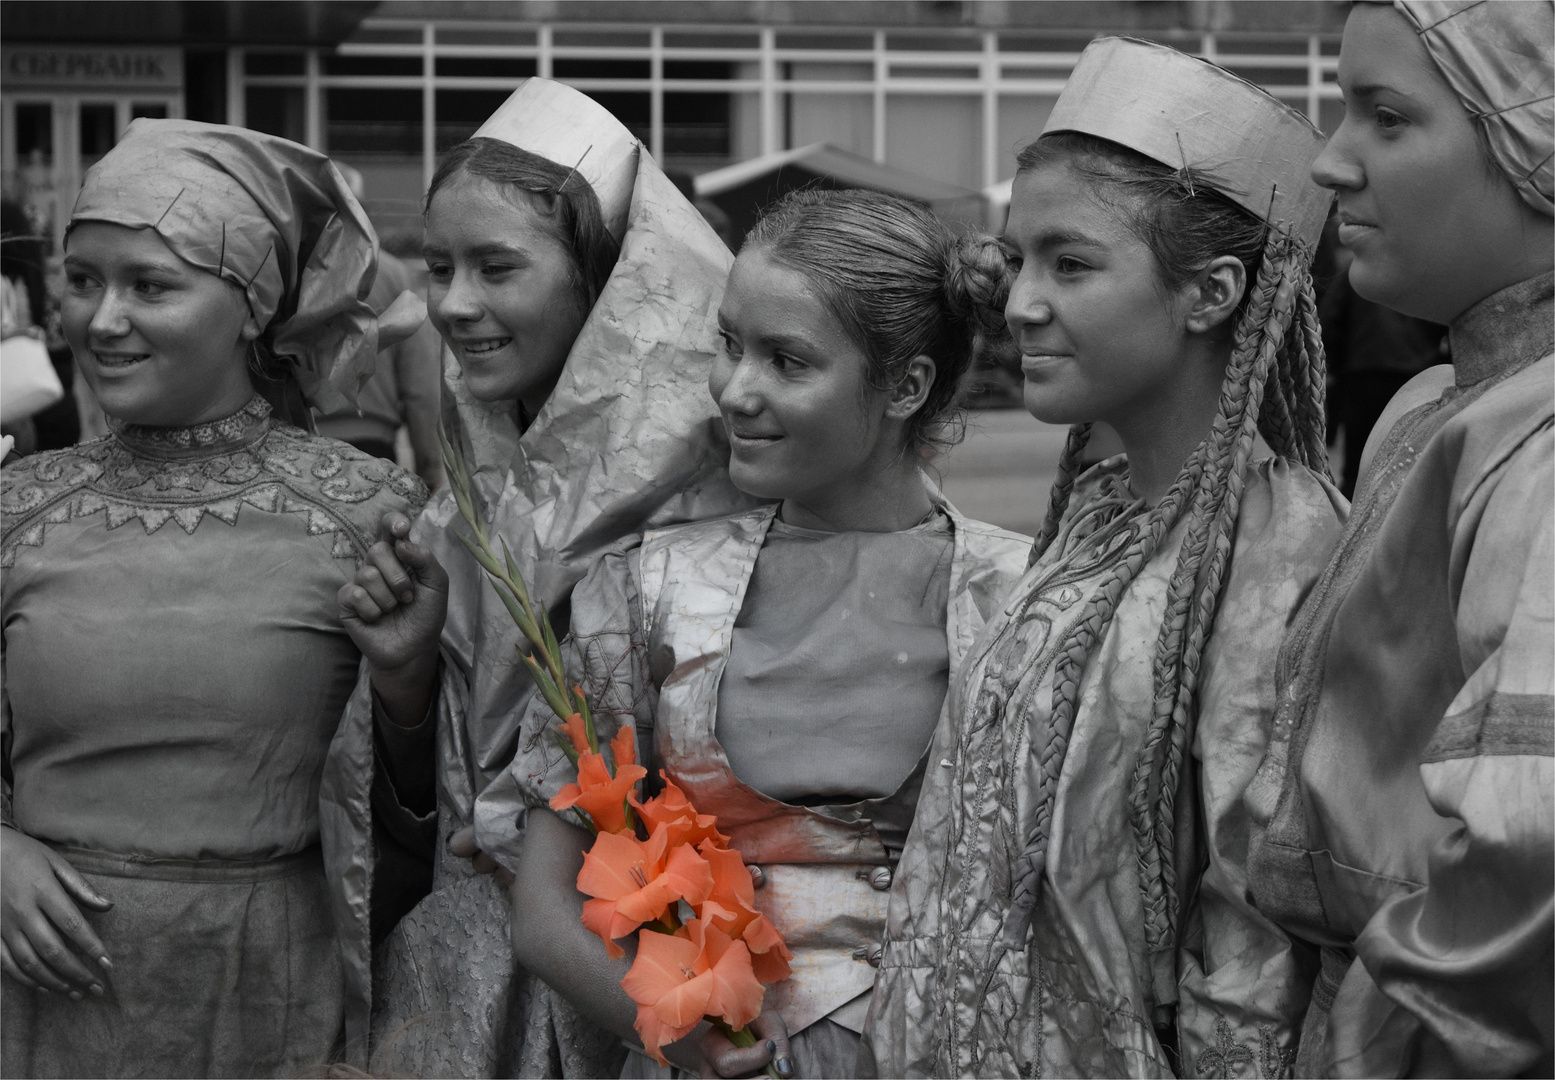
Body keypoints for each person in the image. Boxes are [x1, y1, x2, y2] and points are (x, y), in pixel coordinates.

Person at [862, 37, 1349, 1078]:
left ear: (1210, 292)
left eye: (1070, 263)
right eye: (1019, 257)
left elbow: (1256, 928)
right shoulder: (1094, 506)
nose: (1019, 301)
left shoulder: (1285, 541)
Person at [500, 187, 1030, 1079]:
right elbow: (543, 906)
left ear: (907, 387)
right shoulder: (643, 589)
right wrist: (675, 1030)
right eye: (728, 345)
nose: (735, 391)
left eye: (786, 360)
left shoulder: (1025, 597)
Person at [335, 78, 753, 1077]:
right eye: (438, 266)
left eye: (496, 267)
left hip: (667, 994)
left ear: (605, 283)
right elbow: (421, 795)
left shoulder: (716, 489)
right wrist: (401, 688)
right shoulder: (460, 510)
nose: (452, 304)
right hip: (476, 988)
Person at [0, 119, 427, 1077]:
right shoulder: (12, 506)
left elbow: (444, 791)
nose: (102, 320)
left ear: (249, 306)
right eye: (82, 281)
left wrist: (405, 685)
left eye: (151, 285)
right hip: (34, 993)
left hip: (272, 987)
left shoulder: (367, 511)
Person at [1245, 2, 1553, 1074]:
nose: (1331, 161)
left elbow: (1531, 868)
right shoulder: (1438, 403)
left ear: (1536, 144)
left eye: (1386, 117)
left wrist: (1373, 1045)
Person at [315, 164, 445, 491]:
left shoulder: (287, 273)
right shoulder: (393, 275)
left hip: (300, 445)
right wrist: (431, 472)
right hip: (374, 451)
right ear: (362, 209)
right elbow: (421, 391)